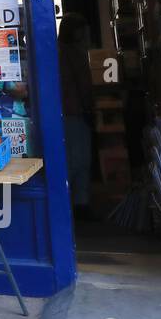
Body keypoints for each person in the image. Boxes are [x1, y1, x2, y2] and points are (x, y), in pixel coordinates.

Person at [58, 13, 95, 221]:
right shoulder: (73, 53)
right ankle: (79, 204)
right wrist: (89, 108)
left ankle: (75, 203)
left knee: (73, 158)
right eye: (82, 29)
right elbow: (83, 85)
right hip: (74, 112)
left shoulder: (58, 52)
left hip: (67, 111)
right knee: (79, 159)